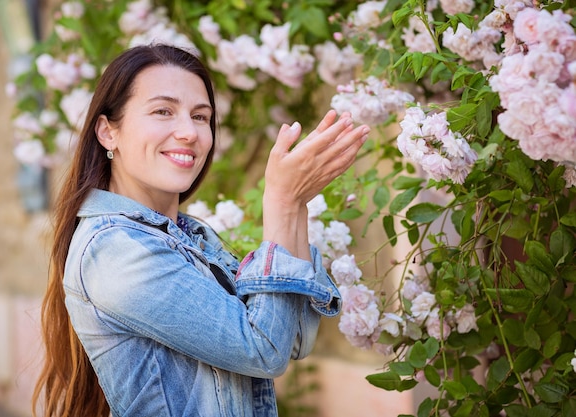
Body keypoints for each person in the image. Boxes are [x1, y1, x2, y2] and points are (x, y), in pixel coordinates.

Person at [33, 43, 370, 417]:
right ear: (108, 132)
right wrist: (281, 202)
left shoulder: (191, 236)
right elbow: (263, 350)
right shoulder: (114, 249)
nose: (189, 133)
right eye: (163, 111)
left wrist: (297, 204)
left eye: (200, 116)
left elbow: (292, 339)